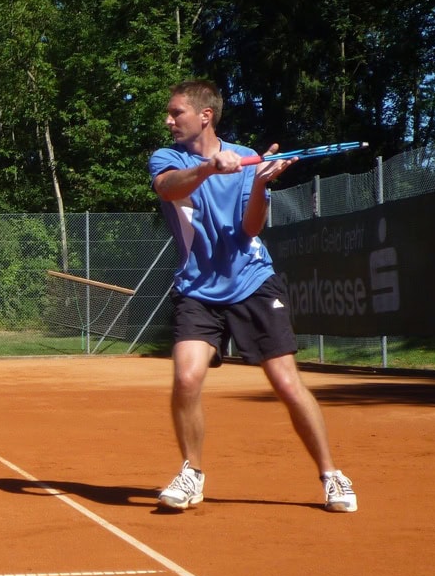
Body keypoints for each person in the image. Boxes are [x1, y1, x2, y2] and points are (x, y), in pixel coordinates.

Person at [148, 79, 357, 513]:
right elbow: (169, 189)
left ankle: (332, 475)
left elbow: (250, 228)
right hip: (197, 288)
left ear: (205, 115)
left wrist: (260, 183)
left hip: (253, 282)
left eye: (176, 113)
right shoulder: (166, 158)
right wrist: (210, 167)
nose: (169, 121)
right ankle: (193, 473)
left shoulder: (246, 159)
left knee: (285, 382)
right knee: (187, 378)